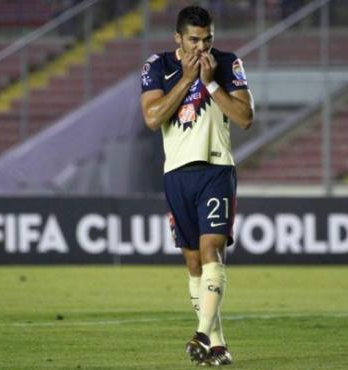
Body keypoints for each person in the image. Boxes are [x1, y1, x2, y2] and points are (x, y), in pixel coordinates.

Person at [140, 5, 254, 366]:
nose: (201, 48)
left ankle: (201, 334)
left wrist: (210, 83)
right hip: (177, 172)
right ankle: (217, 345)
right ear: (178, 38)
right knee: (193, 264)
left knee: (212, 252)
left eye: (207, 40)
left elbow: (245, 118)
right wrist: (187, 80)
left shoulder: (228, 62)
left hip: (216, 168)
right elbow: (152, 117)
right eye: (193, 40)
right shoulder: (157, 66)